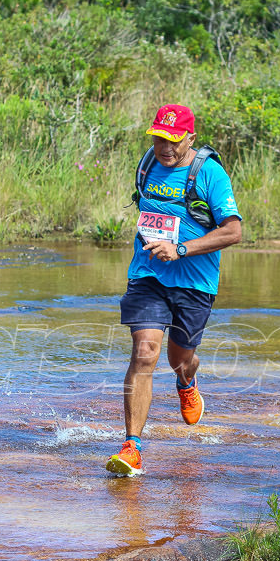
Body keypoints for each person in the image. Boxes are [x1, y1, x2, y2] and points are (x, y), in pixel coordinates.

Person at [106, 105, 242, 476]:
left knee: (179, 358)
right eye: (159, 138)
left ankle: (187, 380)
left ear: (190, 137)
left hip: (195, 282)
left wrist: (180, 248)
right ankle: (132, 447)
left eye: (173, 139)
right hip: (148, 276)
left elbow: (233, 231)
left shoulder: (209, 173)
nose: (165, 146)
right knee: (145, 352)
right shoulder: (149, 163)